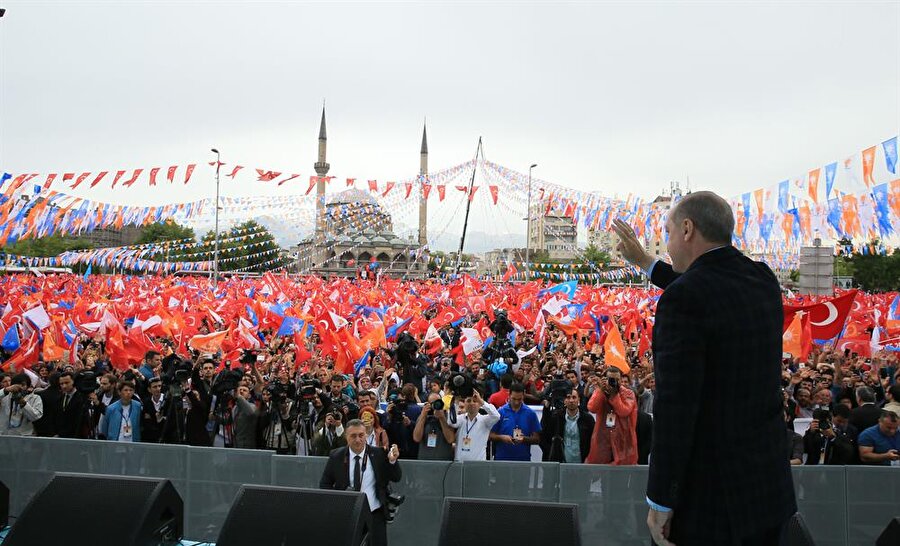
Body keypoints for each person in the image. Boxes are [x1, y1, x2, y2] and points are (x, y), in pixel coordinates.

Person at [613, 191, 796, 546]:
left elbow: (675, 408)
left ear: (687, 229)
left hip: (713, 500)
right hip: (768, 490)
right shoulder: (762, 279)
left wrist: (661, 498)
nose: (667, 245)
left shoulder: (684, 299)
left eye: (667, 233)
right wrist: (645, 261)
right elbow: (706, 287)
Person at [319, 419, 401, 546]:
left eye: (361, 435)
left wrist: (392, 461)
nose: (358, 440)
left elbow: (396, 477)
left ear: (366, 435)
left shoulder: (379, 454)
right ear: (346, 437)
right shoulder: (336, 456)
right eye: (353, 436)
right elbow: (325, 484)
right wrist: (340, 500)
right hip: (347, 516)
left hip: (375, 515)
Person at [585, 366, 638, 465]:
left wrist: (614, 395)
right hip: (603, 439)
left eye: (617, 379)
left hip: (623, 440)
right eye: (611, 379)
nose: (614, 382)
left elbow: (624, 411)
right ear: (605, 379)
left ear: (621, 380)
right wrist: (600, 391)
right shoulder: (600, 391)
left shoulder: (628, 393)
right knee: (600, 469)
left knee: (622, 469)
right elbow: (592, 408)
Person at [489, 383, 541, 461]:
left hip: (523, 460)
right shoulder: (500, 412)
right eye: (514, 399)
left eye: (519, 399)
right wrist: (502, 438)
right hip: (502, 459)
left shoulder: (531, 413)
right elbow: (490, 436)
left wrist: (524, 439)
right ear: (509, 395)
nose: (516, 402)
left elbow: (537, 439)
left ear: (523, 396)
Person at [542, 388, 595, 463]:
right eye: (568, 397)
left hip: (582, 463)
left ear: (578, 400)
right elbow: (545, 437)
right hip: (561, 463)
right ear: (564, 400)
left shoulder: (587, 419)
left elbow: (593, 441)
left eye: (574, 397)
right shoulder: (556, 417)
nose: (571, 400)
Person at [447, 388, 500, 461]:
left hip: (477, 464)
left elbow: (496, 416)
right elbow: (451, 422)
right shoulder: (461, 419)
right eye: (469, 401)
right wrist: (456, 401)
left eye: (475, 401)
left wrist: (481, 401)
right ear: (465, 403)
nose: (472, 403)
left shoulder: (485, 420)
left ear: (480, 405)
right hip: (459, 463)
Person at [412, 392, 455, 460]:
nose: (436, 405)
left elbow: (450, 439)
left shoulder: (448, 417)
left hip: (444, 461)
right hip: (425, 460)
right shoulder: (422, 417)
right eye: (432, 403)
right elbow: (416, 438)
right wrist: (423, 416)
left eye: (438, 402)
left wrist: (442, 418)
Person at [232, 385, 259, 450]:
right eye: (240, 390)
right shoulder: (235, 407)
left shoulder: (252, 406)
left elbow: (250, 413)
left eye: (244, 390)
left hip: (247, 443)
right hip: (236, 442)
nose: (241, 391)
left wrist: (239, 397)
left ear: (249, 396)